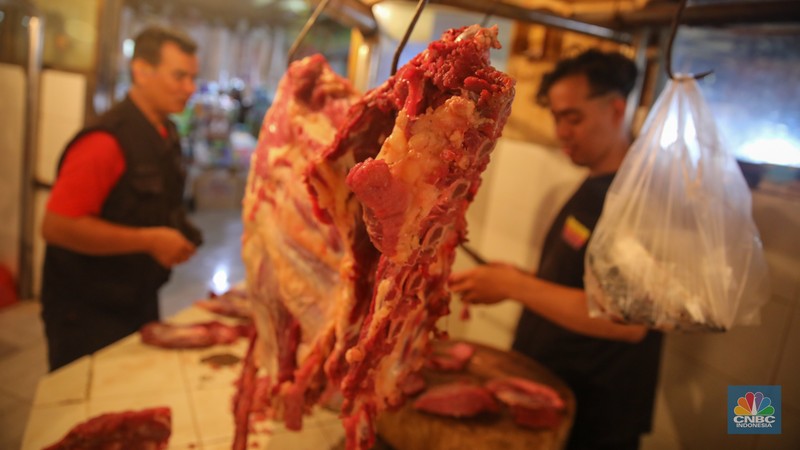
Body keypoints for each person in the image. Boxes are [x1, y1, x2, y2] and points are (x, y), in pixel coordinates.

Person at [449, 49, 663, 450]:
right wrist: (521, 278)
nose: (561, 131)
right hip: (554, 388)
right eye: (557, 116)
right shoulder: (596, 182)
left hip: (596, 411)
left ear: (617, 109)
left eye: (574, 117)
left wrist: (515, 286)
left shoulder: (639, 197)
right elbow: (585, 282)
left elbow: (629, 321)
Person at [40, 25, 203, 371]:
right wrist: (150, 240)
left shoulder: (166, 133)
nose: (190, 88)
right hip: (87, 311)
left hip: (138, 298)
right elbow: (56, 227)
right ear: (141, 71)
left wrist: (181, 232)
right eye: (179, 76)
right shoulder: (105, 141)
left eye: (193, 77)